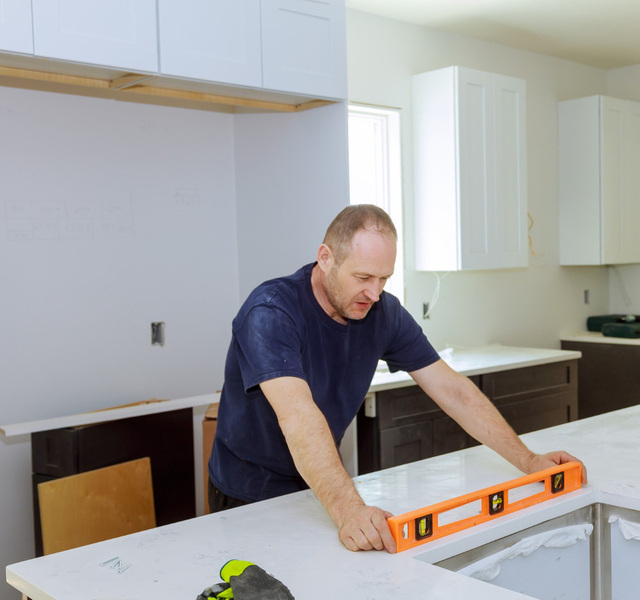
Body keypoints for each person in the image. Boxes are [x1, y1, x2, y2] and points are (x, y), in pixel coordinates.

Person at [208, 204, 586, 554]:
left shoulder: (381, 312)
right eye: (363, 277)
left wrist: (529, 459)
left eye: (384, 279)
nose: (373, 292)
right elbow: (298, 416)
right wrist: (349, 509)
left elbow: (452, 390)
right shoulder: (271, 311)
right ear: (326, 258)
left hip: (318, 487)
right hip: (248, 493)